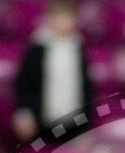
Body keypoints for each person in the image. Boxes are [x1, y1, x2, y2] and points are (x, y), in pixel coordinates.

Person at [13, 0, 94, 142]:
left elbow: (84, 87)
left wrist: (85, 121)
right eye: (59, 17)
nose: (64, 22)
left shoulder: (79, 47)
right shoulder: (37, 47)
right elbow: (24, 83)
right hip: (42, 122)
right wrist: (25, 112)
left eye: (68, 17)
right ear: (50, 18)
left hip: (73, 123)